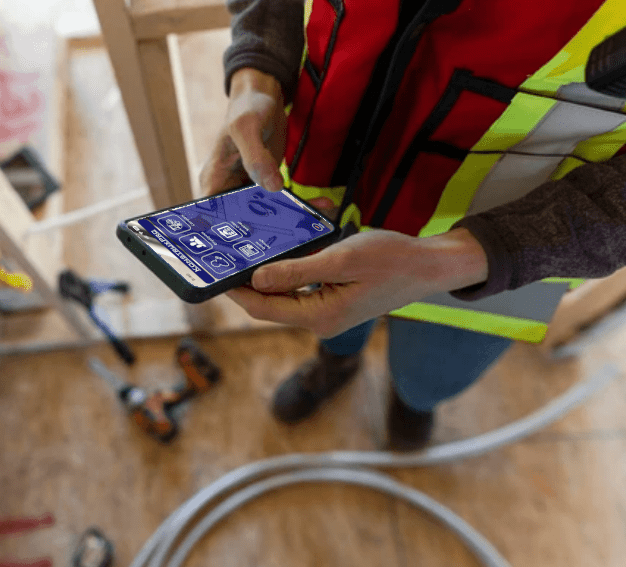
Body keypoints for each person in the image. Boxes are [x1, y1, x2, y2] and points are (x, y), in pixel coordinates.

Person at [200, 0, 626, 449]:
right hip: (332, 188)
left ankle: (414, 402)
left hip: (508, 244)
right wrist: (259, 64)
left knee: (430, 374)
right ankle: (338, 363)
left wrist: (458, 260)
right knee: (333, 320)